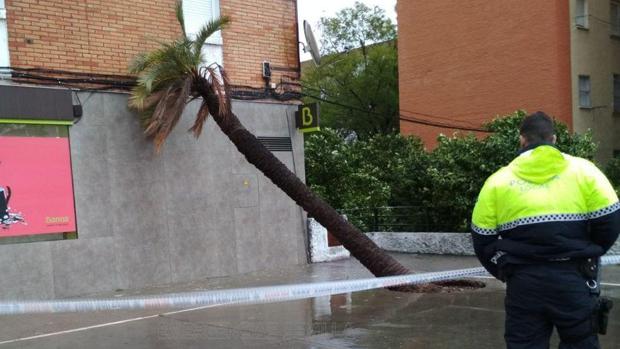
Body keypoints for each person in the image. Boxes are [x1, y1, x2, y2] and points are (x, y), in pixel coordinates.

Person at [471, 111, 620, 348]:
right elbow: (610, 221)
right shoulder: (585, 171)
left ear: (522, 140)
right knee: (581, 342)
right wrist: (590, 250)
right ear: (554, 139)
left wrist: (506, 270)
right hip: (574, 278)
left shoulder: (497, 182)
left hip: (524, 283)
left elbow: (482, 241)